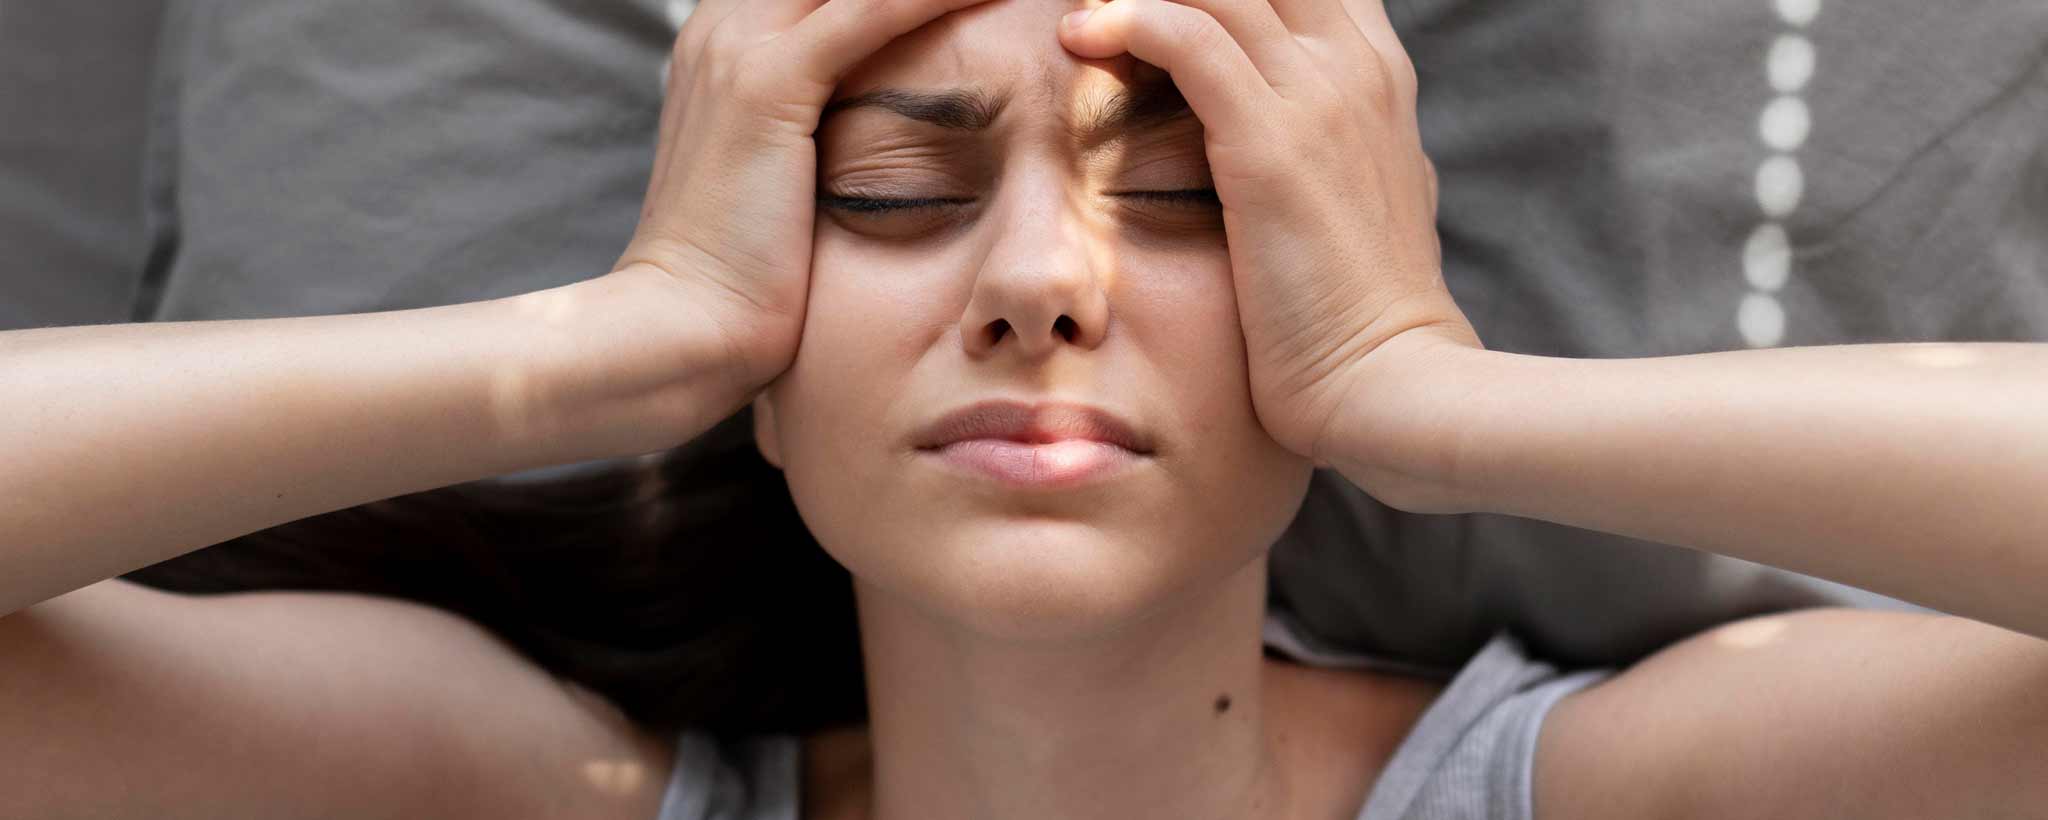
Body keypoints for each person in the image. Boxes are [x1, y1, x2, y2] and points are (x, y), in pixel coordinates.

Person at [3, 0, 2045, 817]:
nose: (1044, 279)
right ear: (763, 379)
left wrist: (1433, 400)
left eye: (1177, 202)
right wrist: (626, 338)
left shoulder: (1595, 788)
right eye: (894, 196)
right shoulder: (536, 783)